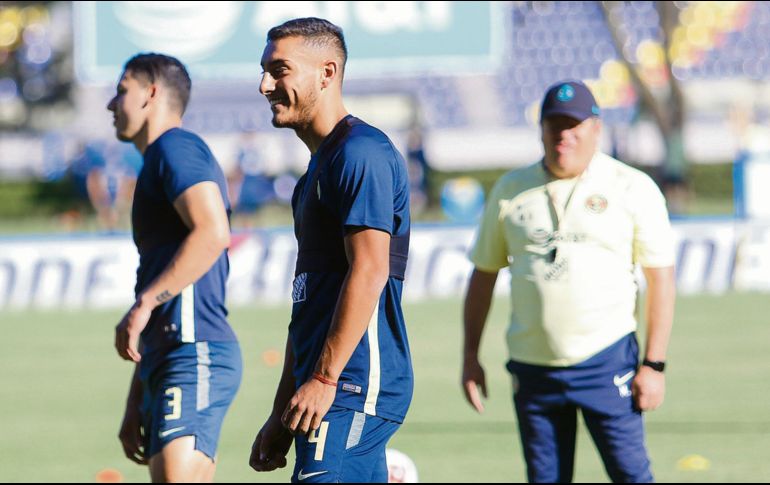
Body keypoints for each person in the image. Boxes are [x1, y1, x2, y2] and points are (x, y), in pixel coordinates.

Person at [461, 80, 676, 483]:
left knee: (631, 475)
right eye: (555, 125)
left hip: (606, 360)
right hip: (533, 367)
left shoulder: (631, 186)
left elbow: (660, 277)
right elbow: (483, 274)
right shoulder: (511, 189)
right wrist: (470, 355)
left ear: (596, 128)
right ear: (541, 129)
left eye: (574, 125)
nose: (564, 135)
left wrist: (654, 364)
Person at [247, 18, 413, 483]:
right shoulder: (313, 176)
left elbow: (370, 269)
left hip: (351, 384)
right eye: (264, 71)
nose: (264, 85)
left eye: (279, 70)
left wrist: (324, 379)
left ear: (327, 73)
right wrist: (282, 409)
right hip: (329, 388)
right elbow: (308, 304)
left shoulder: (361, 153)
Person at [108, 53, 241, 482]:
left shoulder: (176, 147)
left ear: (151, 93)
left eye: (121, 91)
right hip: (168, 355)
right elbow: (160, 277)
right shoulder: (156, 160)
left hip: (194, 349)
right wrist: (138, 394)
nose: (111, 104)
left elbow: (213, 232)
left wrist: (145, 303)